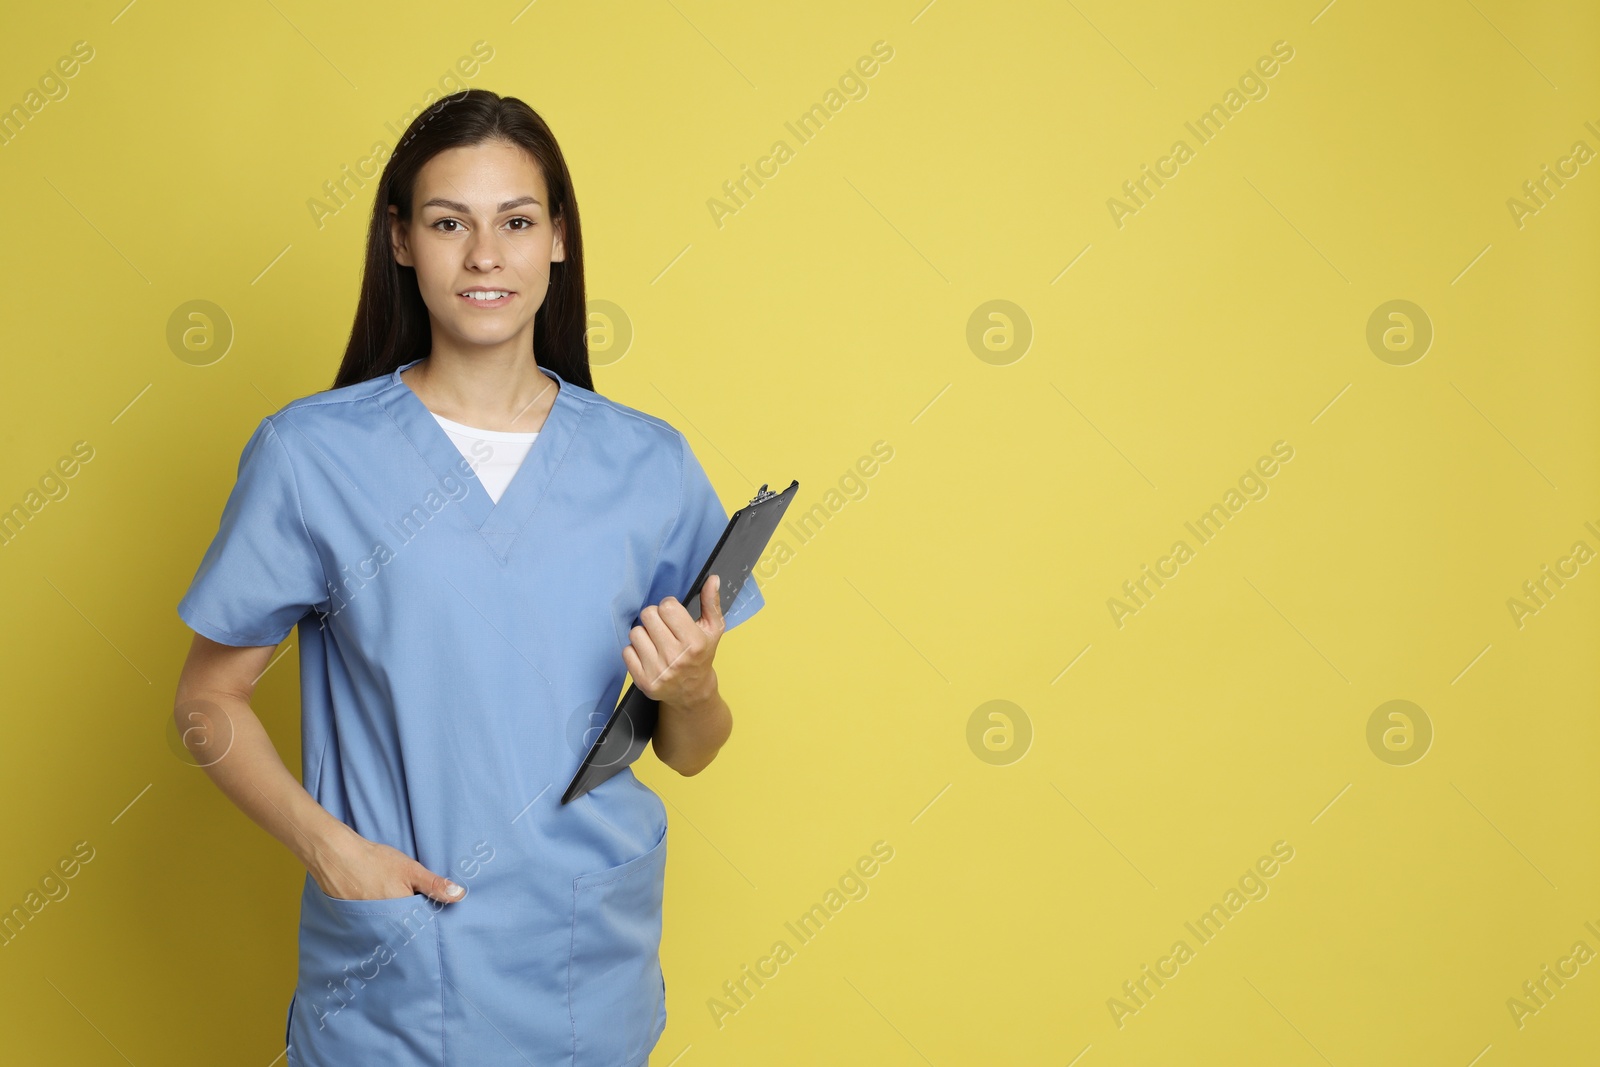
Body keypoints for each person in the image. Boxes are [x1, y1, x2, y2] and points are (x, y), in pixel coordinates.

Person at [171, 89, 766, 1067]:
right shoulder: (312, 455)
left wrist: (692, 689)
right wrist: (329, 848)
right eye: (450, 222)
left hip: (584, 967)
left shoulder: (647, 465)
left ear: (558, 240)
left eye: (516, 221)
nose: (485, 255)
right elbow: (208, 698)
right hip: (394, 973)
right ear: (402, 240)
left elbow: (690, 749)